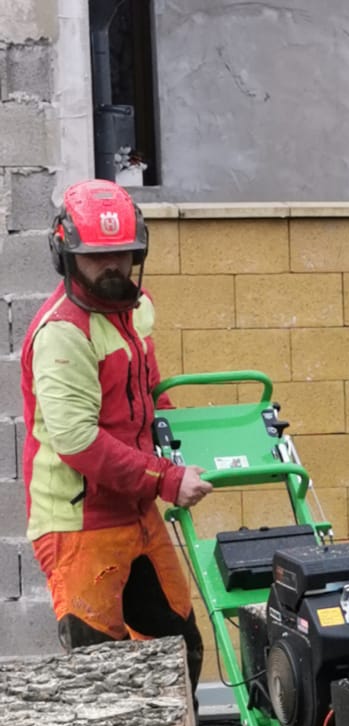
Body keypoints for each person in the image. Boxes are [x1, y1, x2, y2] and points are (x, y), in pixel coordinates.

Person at [20, 178, 211, 692]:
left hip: (136, 508)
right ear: (67, 254)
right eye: (97, 257)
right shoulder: (63, 334)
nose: (112, 267)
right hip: (79, 522)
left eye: (122, 254)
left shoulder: (134, 309)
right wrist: (166, 479)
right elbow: (79, 442)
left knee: (178, 648)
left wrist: (174, 433)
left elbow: (148, 389)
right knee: (104, 677)